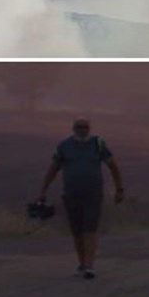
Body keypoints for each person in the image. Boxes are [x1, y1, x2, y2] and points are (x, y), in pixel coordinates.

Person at [38, 118, 125, 280]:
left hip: (93, 194)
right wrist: (43, 190)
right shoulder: (64, 146)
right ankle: (82, 264)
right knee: (77, 231)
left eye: (85, 127)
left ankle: (89, 266)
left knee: (90, 229)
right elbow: (53, 169)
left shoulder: (98, 144)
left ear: (90, 128)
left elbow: (113, 166)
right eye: (79, 127)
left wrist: (119, 189)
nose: (82, 129)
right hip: (71, 194)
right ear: (73, 128)